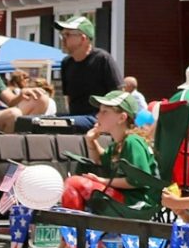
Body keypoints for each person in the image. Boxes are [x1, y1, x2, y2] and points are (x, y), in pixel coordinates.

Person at [51, 91, 158, 225]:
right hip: (126, 199)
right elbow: (100, 161)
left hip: (137, 203)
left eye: (104, 112)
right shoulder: (119, 143)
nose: (97, 115)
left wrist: (102, 180)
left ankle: (72, 239)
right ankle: (72, 240)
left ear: (121, 118)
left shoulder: (132, 142)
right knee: (75, 184)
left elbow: (139, 180)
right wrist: (91, 142)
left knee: (73, 183)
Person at [56, 15, 122, 127]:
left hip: (97, 118)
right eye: (62, 35)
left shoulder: (102, 59)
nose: (63, 39)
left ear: (83, 39)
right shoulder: (66, 63)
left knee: (62, 124)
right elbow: (68, 98)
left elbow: (120, 94)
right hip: (75, 118)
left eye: (67, 35)